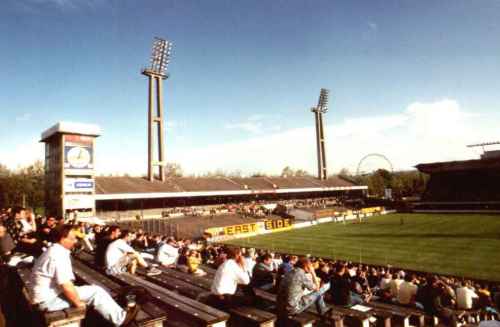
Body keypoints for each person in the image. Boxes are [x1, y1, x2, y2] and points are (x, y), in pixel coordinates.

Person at [29, 225, 139, 326]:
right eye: (72, 238)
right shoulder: (58, 255)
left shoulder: (53, 250)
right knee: (96, 292)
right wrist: (78, 303)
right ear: (63, 239)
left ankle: (114, 314)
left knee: (94, 290)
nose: (75, 241)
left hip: (44, 297)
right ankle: (121, 319)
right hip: (48, 301)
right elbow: (66, 285)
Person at [276, 257, 330, 321]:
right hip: (292, 309)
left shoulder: (290, 271)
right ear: (306, 266)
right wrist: (313, 272)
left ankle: (324, 312)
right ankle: (323, 313)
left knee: (317, 294)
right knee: (320, 291)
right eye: (310, 266)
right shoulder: (301, 274)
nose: (311, 267)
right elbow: (317, 288)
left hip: (280, 305)